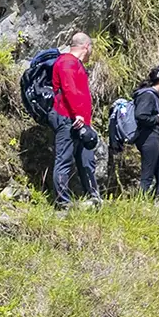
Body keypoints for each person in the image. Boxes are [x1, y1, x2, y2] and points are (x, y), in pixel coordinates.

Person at [51, 31, 99, 209]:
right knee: (63, 159)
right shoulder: (67, 62)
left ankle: (93, 197)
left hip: (79, 121)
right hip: (68, 118)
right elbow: (69, 89)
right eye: (91, 48)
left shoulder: (73, 63)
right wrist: (78, 113)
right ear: (86, 47)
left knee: (86, 159)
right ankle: (62, 202)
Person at [133, 65, 159, 196]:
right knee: (147, 177)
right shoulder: (148, 95)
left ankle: (152, 204)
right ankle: (138, 207)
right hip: (148, 138)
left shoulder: (153, 95)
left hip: (153, 137)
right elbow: (140, 115)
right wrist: (157, 118)